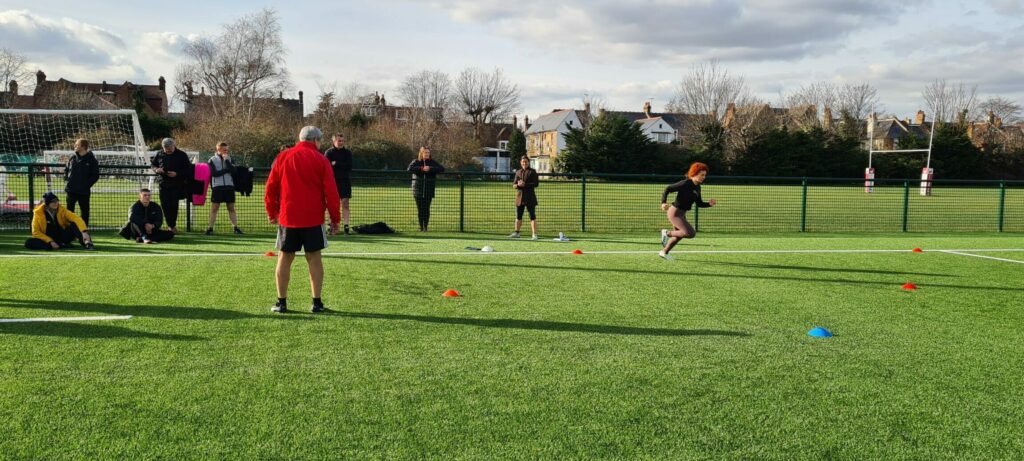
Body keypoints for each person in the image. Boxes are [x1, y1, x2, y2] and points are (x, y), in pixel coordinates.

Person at [264, 126, 341, 314]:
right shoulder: (321, 160)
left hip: (288, 217)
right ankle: (316, 303)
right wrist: (335, 218)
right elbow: (331, 192)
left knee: (285, 257)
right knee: (314, 258)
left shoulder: (282, 157)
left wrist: (271, 211)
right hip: (313, 218)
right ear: (316, 140)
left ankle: (281, 302)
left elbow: (270, 187)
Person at [659, 162, 716, 260]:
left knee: (679, 235)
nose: (704, 177)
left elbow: (699, 203)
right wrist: (663, 203)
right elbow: (668, 188)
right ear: (694, 173)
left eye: (705, 175)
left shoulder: (698, 187)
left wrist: (709, 204)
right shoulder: (685, 183)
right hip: (675, 213)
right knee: (690, 233)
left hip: (681, 214)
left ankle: (664, 252)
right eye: (701, 175)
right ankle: (667, 233)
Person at [25, 192, 95, 250]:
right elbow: (35, 232)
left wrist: (84, 231)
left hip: (62, 236)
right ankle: (51, 246)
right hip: (48, 237)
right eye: (53, 202)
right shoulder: (38, 213)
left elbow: (76, 218)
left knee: (74, 224)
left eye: (57, 201)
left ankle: (87, 243)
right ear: (47, 204)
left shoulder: (62, 209)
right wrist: (50, 241)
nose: (56, 203)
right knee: (29, 242)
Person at [151, 137, 191, 233]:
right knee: (165, 205)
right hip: (163, 184)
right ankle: (171, 226)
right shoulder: (159, 153)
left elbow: (188, 169)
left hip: (176, 185)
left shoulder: (182, 155)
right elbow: (153, 164)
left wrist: (177, 173)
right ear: (163, 147)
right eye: (166, 149)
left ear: (174, 145)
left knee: (174, 206)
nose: (168, 151)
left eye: (170, 149)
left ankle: (172, 226)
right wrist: (156, 170)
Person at [205, 142, 243, 235]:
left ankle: (235, 227)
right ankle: (210, 228)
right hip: (217, 187)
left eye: (227, 149)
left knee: (231, 208)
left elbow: (234, 171)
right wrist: (226, 170)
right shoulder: (212, 160)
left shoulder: (230, 159)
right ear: (218, 150)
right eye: (224, 149)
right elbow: (214, 173)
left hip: (229, 187)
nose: (226, 151)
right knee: (214, 209)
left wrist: (227, 161)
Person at [407, 147, 445, 232]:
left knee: (426, 208)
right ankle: (421, 227)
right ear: (421, 153)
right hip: (418, 189)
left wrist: (430, 169)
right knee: (420, 209)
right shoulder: (416, 161)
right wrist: (421, 169)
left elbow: (442, 169)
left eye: (428, 152)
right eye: (425, 152)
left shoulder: (432, 162)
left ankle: (425, 227)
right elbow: (409, 169)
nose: (427, 154)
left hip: (429, 189)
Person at [64, 138, 100, 224]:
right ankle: (70, 231)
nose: (75, 146)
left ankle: (84, 232)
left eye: (77, 145)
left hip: (83, 191)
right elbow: (66, 170)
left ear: (83, 147)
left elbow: (95, 175)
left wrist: (86, 185)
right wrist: (67, 181)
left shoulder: (92, 160)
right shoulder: (72, 158)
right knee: (69, 212)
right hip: (71, 190)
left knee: (84, 212)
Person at [323, 133, 353, 234]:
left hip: (345, 181)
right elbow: (326, 167)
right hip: (332, 182)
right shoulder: (328, 153)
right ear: (334, 141)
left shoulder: (348, 153)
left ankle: (346, 226)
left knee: (345, 203)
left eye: (343, 141)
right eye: (339, 141)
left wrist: (336, 164)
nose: (341, 143)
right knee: (330, 204)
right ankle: (331, 225)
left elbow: (349, 166)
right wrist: (335, 165)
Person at [509, 156, 539, 239]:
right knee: (518, 216)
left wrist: (525, 184)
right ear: (520, 162)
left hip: (530, 197)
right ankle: (517, 233)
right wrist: (518, 185)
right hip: (520, 198)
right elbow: (514, 185)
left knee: (532, 216)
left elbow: (536, 184)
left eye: (526, 162)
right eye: (523, 162)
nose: (524, 163)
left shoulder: (533, 172)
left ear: (528, 162)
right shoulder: (518, 172)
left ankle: (534, 234)